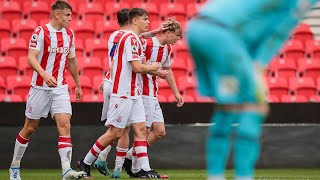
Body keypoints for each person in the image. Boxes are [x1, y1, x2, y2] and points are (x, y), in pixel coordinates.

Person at [186, 1, 318, 180]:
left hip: (198, 29)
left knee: (228, 106)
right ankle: (243, 176)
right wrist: (259, 65)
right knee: (255, 106)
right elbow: (279, 30)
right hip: (223, 35)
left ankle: (215, 175)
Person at [77, 8, 163, 179]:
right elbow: (137, 67)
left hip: (134, 93)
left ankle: (145, 169)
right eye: (145, 19)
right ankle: (85, 162)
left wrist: (156, 32)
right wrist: (153, 67)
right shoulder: (129, 39)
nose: (148, 22)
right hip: (122, 92)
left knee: (140, 130)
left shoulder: (133, 39)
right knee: (115, 133)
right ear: (135, 21)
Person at [8, 1, 86, 180]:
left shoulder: (69, 34)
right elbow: (31, 57)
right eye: (67, 15)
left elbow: (72, 60)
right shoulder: (40, 32)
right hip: (39, 88)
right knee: (30, 128)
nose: (70, 19)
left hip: (60, 87)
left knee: (65, 124)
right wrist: (44, 74)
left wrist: (78, 84)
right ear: (57, 15)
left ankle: (66, 170)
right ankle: (15, 166)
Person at [123, 17, 185, 177]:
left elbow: (168, 71)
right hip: (142, 93)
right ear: (168, 32)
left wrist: (176, 92)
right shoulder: (147, 43)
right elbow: (138, 67)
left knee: (159, 132)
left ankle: (130, 157)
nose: (178, 39)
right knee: (144, 131)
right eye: (177, 35)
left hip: (153, 94)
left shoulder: (167, 49)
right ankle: (139, 169)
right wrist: (157, 72)